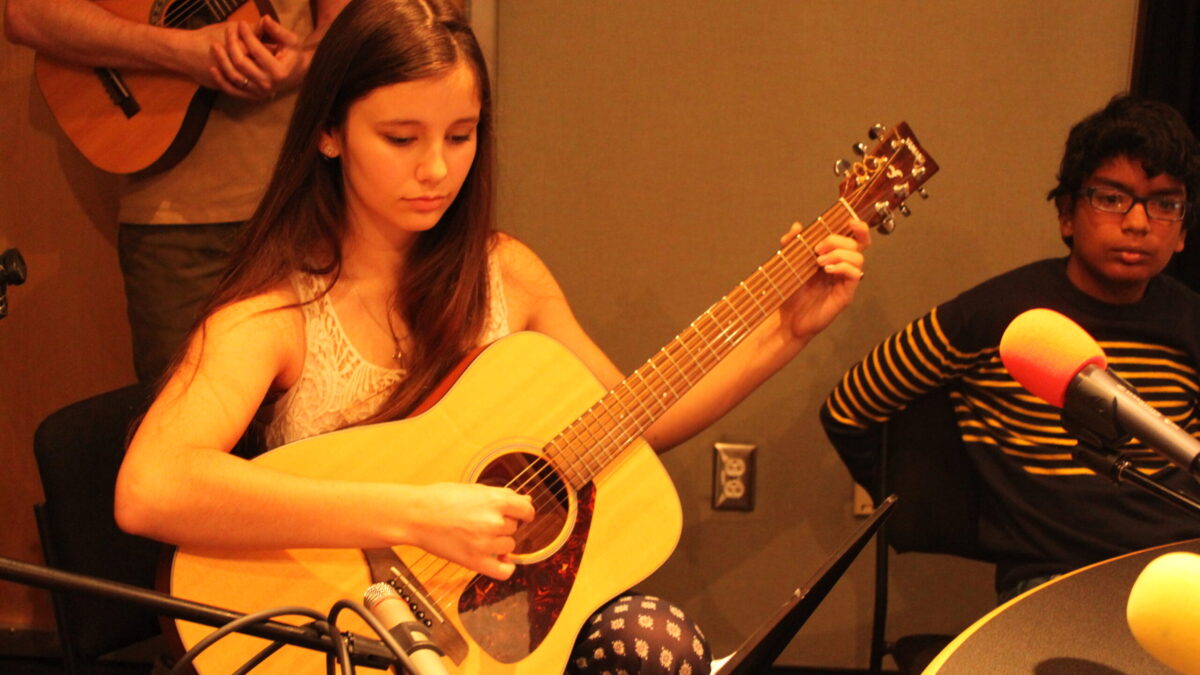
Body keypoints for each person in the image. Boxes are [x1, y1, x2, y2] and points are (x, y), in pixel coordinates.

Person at [110, 0, 870, 672]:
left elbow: (632, 419)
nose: (437, 169)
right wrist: (417, 514)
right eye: (401, 137)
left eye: (462, 135)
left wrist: (785, 330)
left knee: (657, 642)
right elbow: (150, 488)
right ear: (331, 133)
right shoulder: (277, 313)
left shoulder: (507, 273)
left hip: (485, 632)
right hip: (340, 628)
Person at [820, 95, 1200, 605]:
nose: (1137, 223)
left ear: (1181, 233)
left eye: (1164, 204)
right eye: (1112, 198)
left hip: (1180, 572)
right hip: (1051, 577)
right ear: (1067, 214)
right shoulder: (999, 315)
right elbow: (850, 406)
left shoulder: (1190, 320)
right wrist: (940, 501)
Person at [4, 0, 350, 383]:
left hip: (305, 206)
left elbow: (349, 23)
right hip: (173, 231)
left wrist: (300, 65)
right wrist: (179, 52)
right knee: (176, 424)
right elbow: (27, 15)